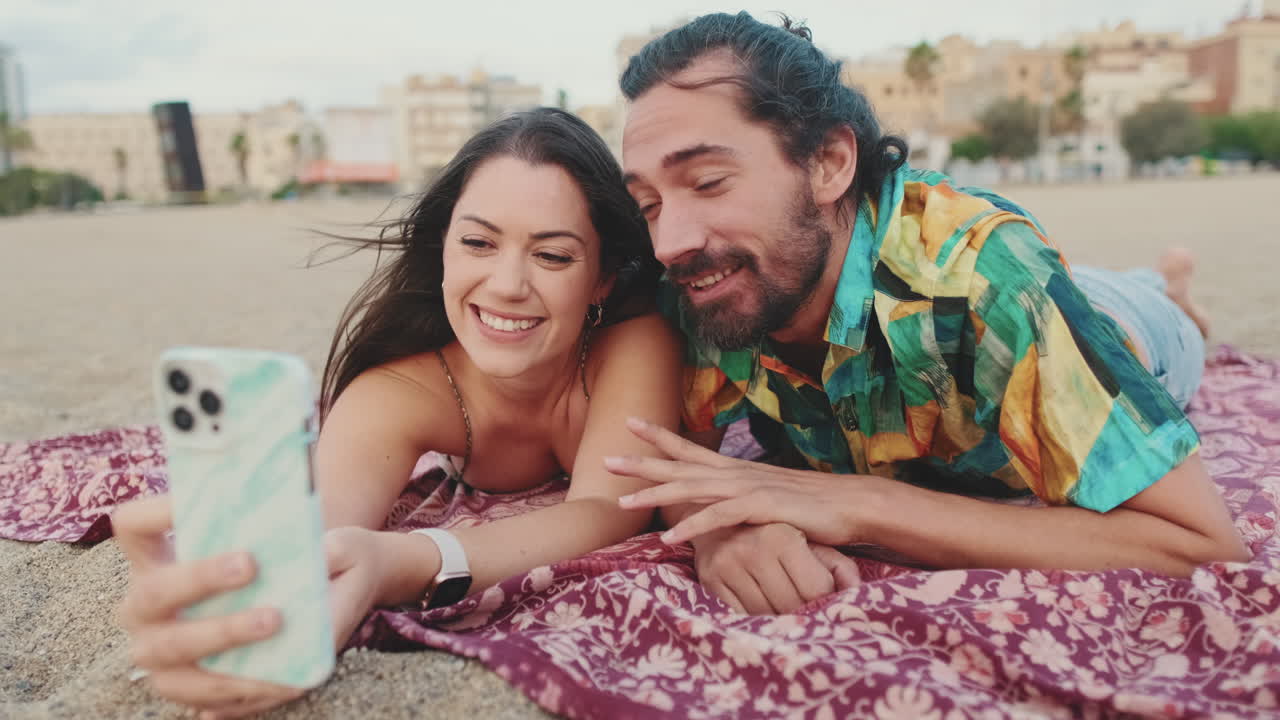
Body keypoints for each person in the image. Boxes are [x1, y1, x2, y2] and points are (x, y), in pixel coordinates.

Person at [607, 12, 1249, 617]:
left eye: (709, 182)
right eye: (649, 204)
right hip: (1029, 302)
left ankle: (1174, 290)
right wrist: (720, 533)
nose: (670, 243)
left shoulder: (985, 274)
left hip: (1133, 332)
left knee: (1154, 313)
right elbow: (677, 468)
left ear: (829, 163)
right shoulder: (703, 282)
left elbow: (1198, 542)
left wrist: (866, 506)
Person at [113, 108, 685, 718]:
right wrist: (244, 599)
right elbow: (327, 542)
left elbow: (604, 509)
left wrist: (401, 561)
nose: (507, 284)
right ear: (443, 247)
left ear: (601, 279)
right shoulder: (395, 392)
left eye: (552, 256)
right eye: (478, 243)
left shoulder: (638, 340)